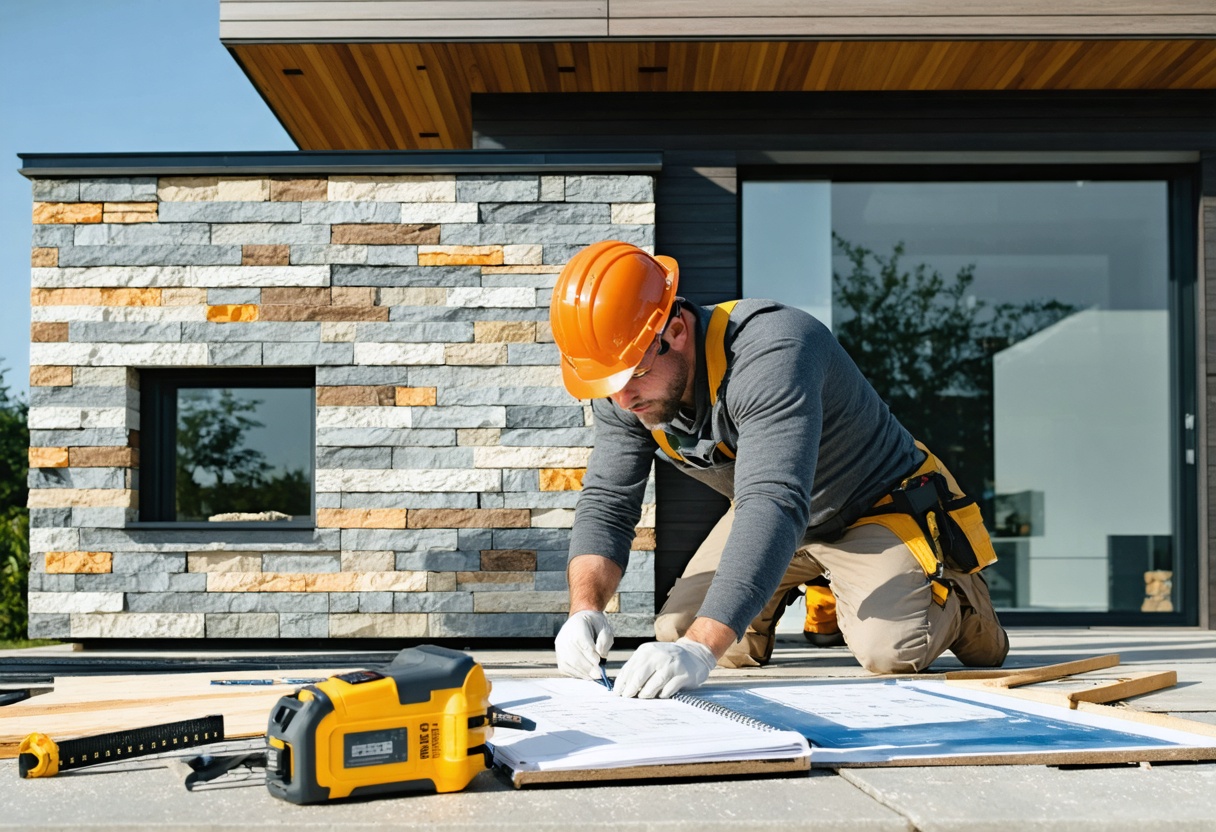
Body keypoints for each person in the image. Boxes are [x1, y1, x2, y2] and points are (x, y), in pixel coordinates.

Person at [550, 240, 1008, 699]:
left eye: (633, 375)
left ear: (676, 330)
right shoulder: (621, 392)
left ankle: (962, 599)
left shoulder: (773, 348)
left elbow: (773, 500)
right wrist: (584, 610)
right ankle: (820, 582)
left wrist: (700, 649)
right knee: (679, 629)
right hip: (782, 510)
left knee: (892, 651)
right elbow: (608, 503)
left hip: (875, 504)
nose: (622, 400)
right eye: (607, 385)